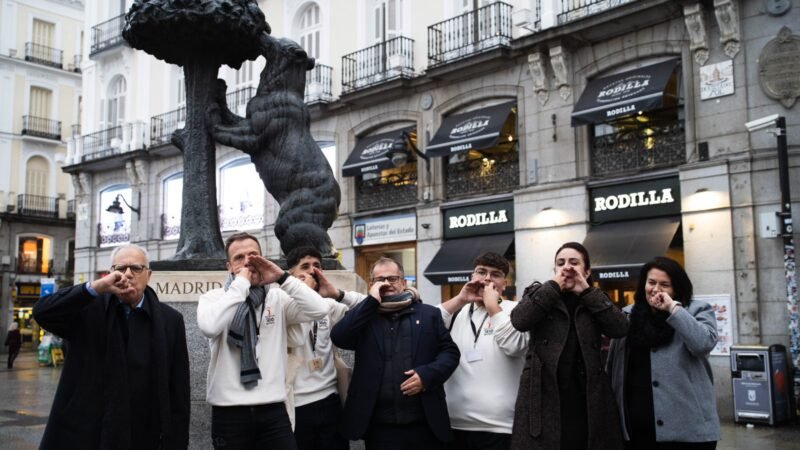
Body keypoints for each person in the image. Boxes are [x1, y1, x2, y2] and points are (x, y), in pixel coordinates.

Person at [33, 244, 190, 449]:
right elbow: (42, 312)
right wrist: (96, 288)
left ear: (148, 275)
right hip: (90, 433)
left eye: (136, 268)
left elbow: (178, 391)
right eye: (120, 269)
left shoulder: (170, 320)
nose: (128, 274)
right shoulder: (88, 309)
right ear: (110, 274)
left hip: (144, 434)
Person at [197, 232, 331, 450]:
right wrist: (240, 285)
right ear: (229, 266)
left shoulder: (277, 298)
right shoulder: (214, 298)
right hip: (229, 413)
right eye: (239, 258)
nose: (248, 261)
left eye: (253, 255)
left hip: (273, 411)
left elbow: (320, 309)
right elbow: (210, 327)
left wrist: (282, 278)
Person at [331, 257, 460, 450]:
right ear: (372, 284)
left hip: (424, 423)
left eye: (392, 279)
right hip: (379, 428)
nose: (386, 284)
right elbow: (339, 337)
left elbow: (450, 353)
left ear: (404, 282)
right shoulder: (364, 315)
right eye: (379, 280)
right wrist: (371, 302)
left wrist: (426, 376)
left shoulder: (428, 314)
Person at [509, 242, 628, 449]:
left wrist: (587, 292)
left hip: (587, 395)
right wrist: (553, 287)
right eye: (560, 263)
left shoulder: (594, 299)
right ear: (554, 269)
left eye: (574, 262)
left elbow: (620, 328)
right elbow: (520, 321)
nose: (567, 267)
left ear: (587, 271)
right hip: (543, 395)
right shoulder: (539, 293)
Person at [607, 256, 720, 449]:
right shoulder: (627, 316)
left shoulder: (695, 310)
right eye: (651, 282)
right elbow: (613, 368)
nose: (656, 289)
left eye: (665, 284)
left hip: (688, 433)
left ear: (676, 288)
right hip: (636, 431)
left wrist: (672, 309)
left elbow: (703, 344)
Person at [438, 252, 528, 450]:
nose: (486, 278)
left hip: (502, 428)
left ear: (504, 284)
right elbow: (424, 327)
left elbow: (514, 346)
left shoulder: (517, 311)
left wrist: (492, 306)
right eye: (481, 272)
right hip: (453, 424)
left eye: (495, 274)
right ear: (471, 277)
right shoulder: (456, 313)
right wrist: (460, 299)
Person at [286, 246, 365, 450]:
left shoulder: (328, 305)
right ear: (291, 274)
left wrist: (337, 293)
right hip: (296, 405)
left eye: (317, 266)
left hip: (330, 400)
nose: (312, 270)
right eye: (305, 266)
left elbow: (367, 307)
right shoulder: (281, 304)